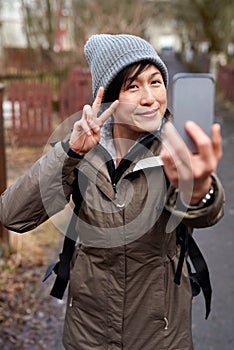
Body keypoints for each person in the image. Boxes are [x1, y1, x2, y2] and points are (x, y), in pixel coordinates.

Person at [0, 34, 224, 350]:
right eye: (133, 86)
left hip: (160, 337)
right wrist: (70, 153)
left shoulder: (177, 149)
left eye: (156, 82)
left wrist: (200, 188)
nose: (150, 98)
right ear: (108, 97)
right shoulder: (82, 149)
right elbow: (12, 215)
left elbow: (208, 212)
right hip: (87, 335)